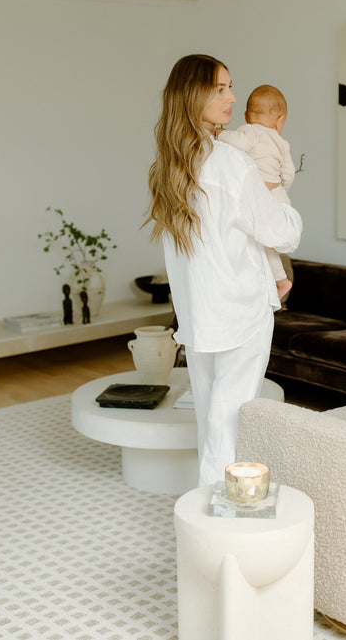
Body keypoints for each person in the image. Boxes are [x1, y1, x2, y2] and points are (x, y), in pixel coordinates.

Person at [145, 55, 302, 487]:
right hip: (241, 312)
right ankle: (219, 517)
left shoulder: (169, 166)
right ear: (194, 95)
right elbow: (284, 234)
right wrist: (279, 192)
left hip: (198, 316)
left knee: (210, 418)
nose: (233, 97)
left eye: (231, 86)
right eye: (220, 88)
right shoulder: (232, 164)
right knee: (230, 424)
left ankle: (207, 509)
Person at [215, 85, 296, 300]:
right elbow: (288, 173)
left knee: (258, 242)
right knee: (267, 243)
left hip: (259, 197)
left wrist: (219, 132)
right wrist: (280, 191)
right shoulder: (282, 142)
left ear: (246, 116)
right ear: (280, 121)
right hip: (278, 196)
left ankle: (279, 280)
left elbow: (237, 142)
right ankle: (281, 281)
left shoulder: (250, 131)